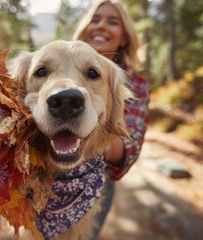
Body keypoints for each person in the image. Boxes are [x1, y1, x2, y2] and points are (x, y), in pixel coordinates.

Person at [72, 0, 150, 237]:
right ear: (85, 29)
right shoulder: (60, 67)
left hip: (97, 184)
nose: (101, 26)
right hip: (43, 177)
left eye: (112, 22)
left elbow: (129, 149)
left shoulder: (135, 85)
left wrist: (90, 129)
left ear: (124, 37)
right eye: (95, 19)